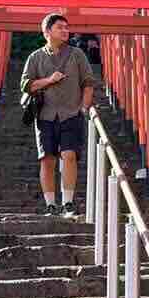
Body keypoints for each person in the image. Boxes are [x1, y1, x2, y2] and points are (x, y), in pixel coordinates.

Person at [21, 13, 96, 217]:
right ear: (47, 32)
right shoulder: (35, 57)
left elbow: (88, 82)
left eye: (66, 27)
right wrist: (49, 80)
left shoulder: (77, 54)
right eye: (60, 27)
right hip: (44, 115)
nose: (65, 30)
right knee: (47, 159)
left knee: (69, 155)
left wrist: (84, 107)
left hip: (71, 113)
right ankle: (50, 204)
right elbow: (26, 85)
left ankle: (68, 202)